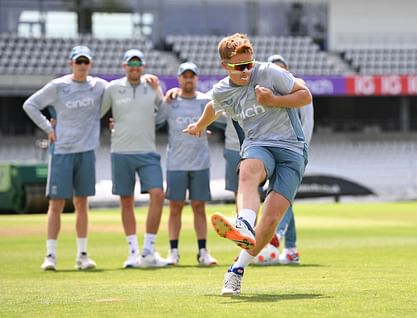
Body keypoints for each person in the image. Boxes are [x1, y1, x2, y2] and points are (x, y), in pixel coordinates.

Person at [184, 33, 312, 296]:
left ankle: (236, 269)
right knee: (248, 170)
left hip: (292, 147)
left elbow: (305, 96)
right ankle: (243, 222)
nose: (246, 71)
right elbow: (213, 107)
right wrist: (199, 126)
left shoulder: (270, 72)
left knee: (272, 218)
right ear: (225, 66)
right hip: (258, 143)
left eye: (249, 64)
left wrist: (273, 101)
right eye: (239, 67)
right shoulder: (222, 90)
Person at [23, 46, 105, 271]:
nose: (81, 65)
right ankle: (50, 255)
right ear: (71, 64)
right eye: (78, 61)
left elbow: (120, 91)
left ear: (90, 64)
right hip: (62, 151)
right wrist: (47, 126)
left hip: (86, 150)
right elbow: (30, 105)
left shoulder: (98, 86)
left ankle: (82, 255)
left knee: (82, 203)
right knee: (56, 204)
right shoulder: (59, 86)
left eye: (85, 61)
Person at [100, 49, 168, 268]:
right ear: (124, 67)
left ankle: (148, 251)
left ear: (143, 67)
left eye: (138, 65)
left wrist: (161, 91)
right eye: (131, 64)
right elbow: (97, 114)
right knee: (126, 200)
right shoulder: (112, 88)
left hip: (147, 151)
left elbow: (165, 111)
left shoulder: (153, 87)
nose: (135, 68)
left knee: (158, 194)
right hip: (120, 152)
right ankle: (132, 253)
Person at [156, 62, 217, 266]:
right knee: (175, 207)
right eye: (185, 76)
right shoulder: (170, 102)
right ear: (179, 79)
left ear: (196, 78)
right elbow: (155, 122)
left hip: (200, 161)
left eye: (192, 76)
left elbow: (222, 119)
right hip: (176, 162)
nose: (188, 79)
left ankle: (202, 251)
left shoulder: (205, 100)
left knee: (199, 207)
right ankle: (173, 251)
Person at [263, 54, 314, 265]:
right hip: (273, 151)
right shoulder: (265, 93)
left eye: (282, 69)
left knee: (282, 195)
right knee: (283, 196)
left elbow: (307, 122)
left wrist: (302, 151)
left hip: (293, 152)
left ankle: (277, 237)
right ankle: (291, 249)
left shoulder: (298, 90)